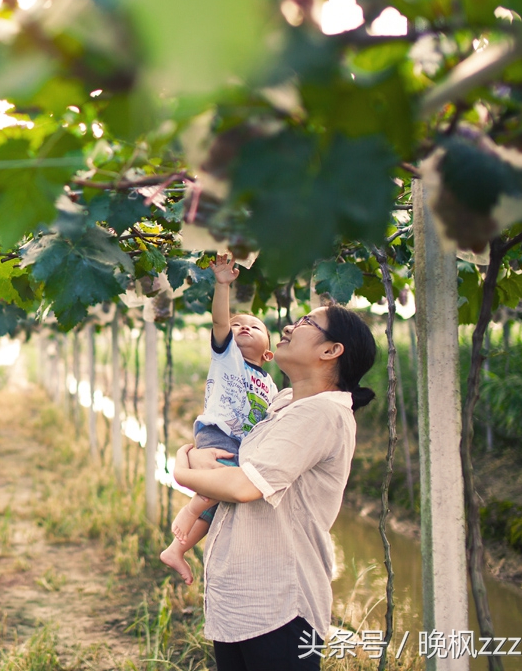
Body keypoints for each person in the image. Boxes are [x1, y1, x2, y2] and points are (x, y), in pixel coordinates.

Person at [173, 304, 377, 671]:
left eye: (306, 323)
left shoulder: (323, 414)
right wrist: (192, 451)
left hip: (280, 604)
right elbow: (229, 452)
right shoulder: (282, 402)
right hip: (241, 598)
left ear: (331, 351)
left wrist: (180, 468)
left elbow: (244, 485)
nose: (288, 326)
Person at [159, 253, 277, 585]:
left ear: (268, 354)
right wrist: (222, 285)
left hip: (242, 444)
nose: (243, 327)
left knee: (219, 501)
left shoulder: (269, 382)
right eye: (239, 324)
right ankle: (189, 509)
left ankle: (176, 550)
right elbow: (220, 323)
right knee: (216, 487)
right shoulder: (228, 358)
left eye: (254, 326)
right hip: (218, 432)